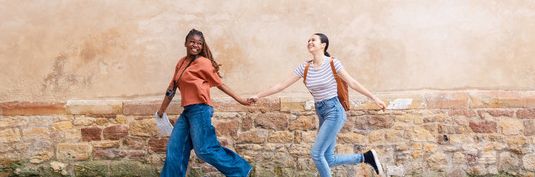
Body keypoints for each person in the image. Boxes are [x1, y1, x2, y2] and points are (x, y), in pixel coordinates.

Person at [248, 33, 386, 176]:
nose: (309, 42)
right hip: (321, 112)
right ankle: (366, 157)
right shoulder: (305, 67)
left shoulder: (333, 63)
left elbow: (352, 83)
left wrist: (373, 97)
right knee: (328, 159)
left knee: (316, 153)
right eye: (308, 40)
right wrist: (258, 96)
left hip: (334, 111)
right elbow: (281, 85)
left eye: (313, 40)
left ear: (323, 45)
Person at [157, 29, 253, 177]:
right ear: (186, 43)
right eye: (192, 42)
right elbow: (172, 88)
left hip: (200, 110)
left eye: (199, 43)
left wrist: (240, 100)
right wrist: (161, 110)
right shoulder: (181, 63)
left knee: (204, 149)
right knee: (175, 148)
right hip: (187, 111)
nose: (196, 45)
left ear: (202, 46)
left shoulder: (204, 62)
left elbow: (220, 84)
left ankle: (242, 171)